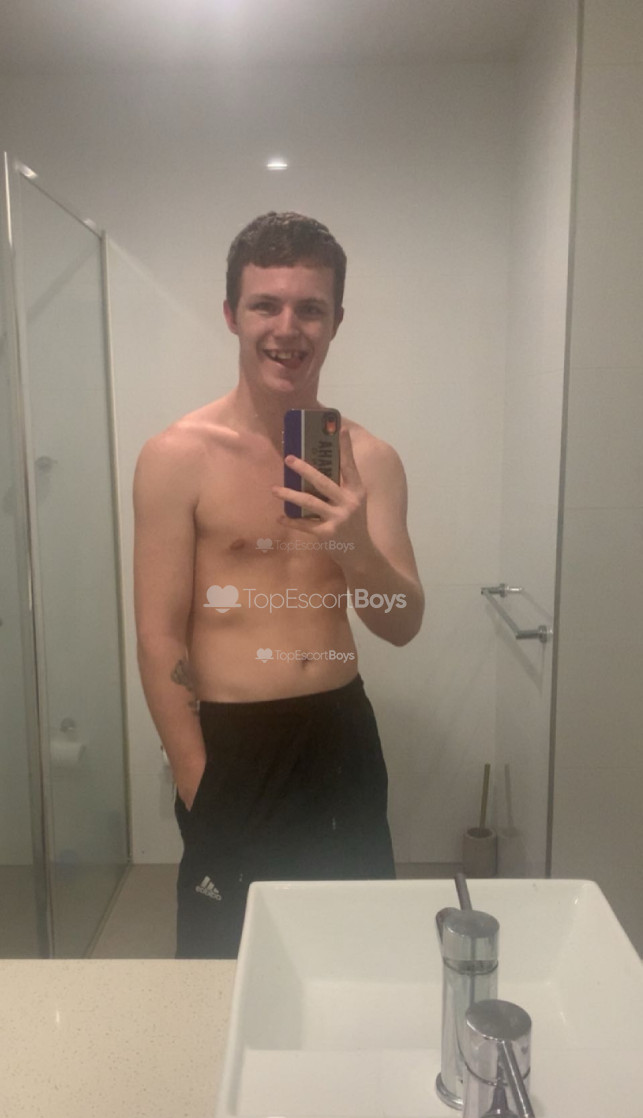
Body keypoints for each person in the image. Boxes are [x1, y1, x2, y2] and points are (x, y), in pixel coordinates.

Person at [133, 212, 424, 957]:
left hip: (338, 735)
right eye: (266, 305)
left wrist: (354, 547)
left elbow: (399, 623)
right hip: (231, 746)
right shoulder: (177, 457)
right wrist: (198, 781)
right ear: (233, 314)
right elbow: (159, 636)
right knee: (223, 960)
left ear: (336, 321)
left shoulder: (370, 460)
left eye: (310, 308)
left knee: (353, 951)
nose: (287, 329)